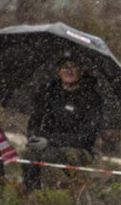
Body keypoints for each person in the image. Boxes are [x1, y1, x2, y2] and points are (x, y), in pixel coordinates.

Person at [24, 51, 102, 190]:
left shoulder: (91, 98)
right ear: (58, 71)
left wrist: (51, 141)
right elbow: (35, 119)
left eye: (73, 66)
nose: (69, 71)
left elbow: (85, 136)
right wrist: (33, 137)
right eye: (65, 67)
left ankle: (56, 198)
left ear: (81, 69)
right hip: (47, 144)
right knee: (30, 157)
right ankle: (32, 198)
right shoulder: (49, 93)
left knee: (50, 157)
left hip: (79, 149)